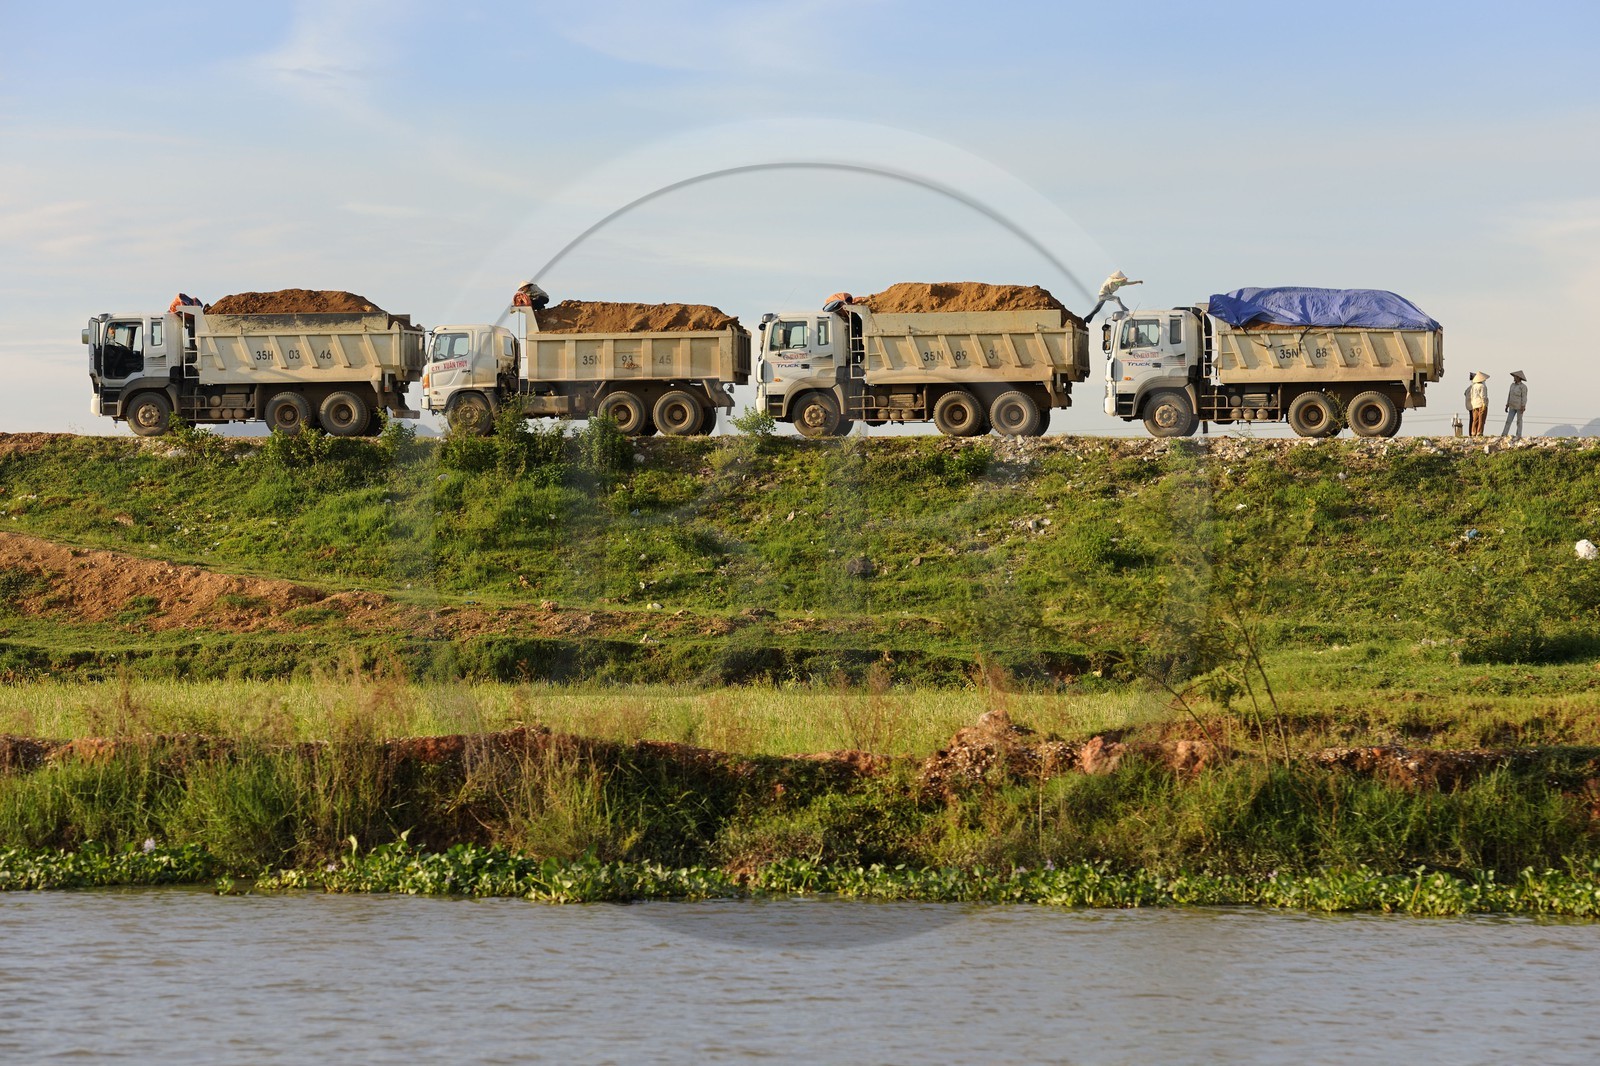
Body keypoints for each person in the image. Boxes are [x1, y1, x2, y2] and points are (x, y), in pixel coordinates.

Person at [1501, 371, 1528, 438]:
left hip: (1519, 406)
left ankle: (1518, 435)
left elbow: (1524, 397)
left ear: (1518, 377)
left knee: (1519, 421)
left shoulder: (1523, 387)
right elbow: (1509, 395)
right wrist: (1507, 405)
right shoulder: (1512, 385)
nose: (1514, 378)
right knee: (1508, 421)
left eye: (1515, 376)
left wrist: (1523, 406)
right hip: (1512, 405)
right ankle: (1504, 434)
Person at [1467, 371, 1489, 436]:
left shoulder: (1473, 386)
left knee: (1475, 419)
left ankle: (1473, 432)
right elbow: (1483, 396)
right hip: (1481, 404)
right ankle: (1479, 432)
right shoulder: (1482, 386)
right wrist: (1484, 404)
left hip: (1474, 404)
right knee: (1481, 419)